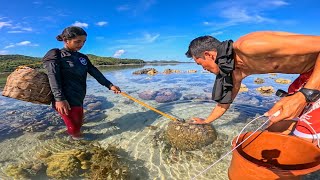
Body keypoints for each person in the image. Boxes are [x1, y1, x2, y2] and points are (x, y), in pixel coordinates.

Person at [185, 31, 320, 145]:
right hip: (308, 76)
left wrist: (304, 95)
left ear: (208, 55)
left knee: (305, 137)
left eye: (200, 63)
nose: (203, 68)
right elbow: (224, 103)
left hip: (314, 77)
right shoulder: (236, 72)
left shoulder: (248, 45)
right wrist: (206, 121)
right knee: (275, 128)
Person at [42, 26, 121, 139]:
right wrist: (59, 99)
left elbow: (95, 72)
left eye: (83, 42)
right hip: (64, 99)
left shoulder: (82, 57)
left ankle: (74, 135)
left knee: (78, 121)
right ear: (66, 40)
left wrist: (110, 85)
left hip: (78, 96)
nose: (81, 44)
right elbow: (53, 77)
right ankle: (78, 141)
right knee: (74, 127)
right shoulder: (56, 54)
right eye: (77, 41)